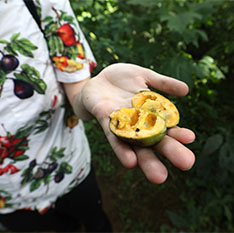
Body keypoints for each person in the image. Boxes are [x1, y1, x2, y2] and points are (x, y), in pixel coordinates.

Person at [0, 0, 195, 232]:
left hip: (70, 166)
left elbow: (77, 92)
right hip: (9, 198)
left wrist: (89, 95)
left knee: (96, 222)